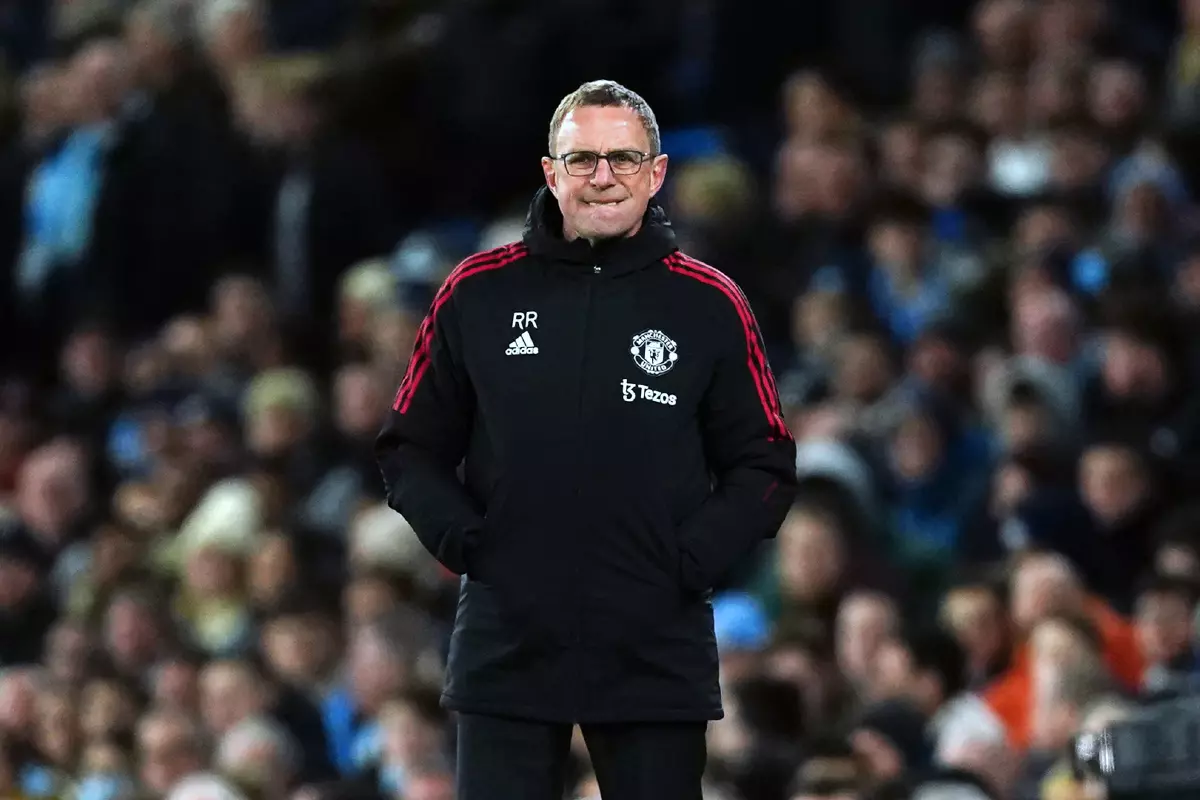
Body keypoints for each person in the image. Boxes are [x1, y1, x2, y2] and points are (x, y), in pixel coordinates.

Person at [375, 79, 798, 800]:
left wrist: (685, 561)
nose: (603, 177)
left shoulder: (708, 303)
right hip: (506, 642)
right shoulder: (476, 292)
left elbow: (764, 464)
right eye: (582, 160)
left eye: (625, 158)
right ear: (550, 172)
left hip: (652, 646)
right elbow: (407, 447)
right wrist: (471, 544)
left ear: (657, 173)